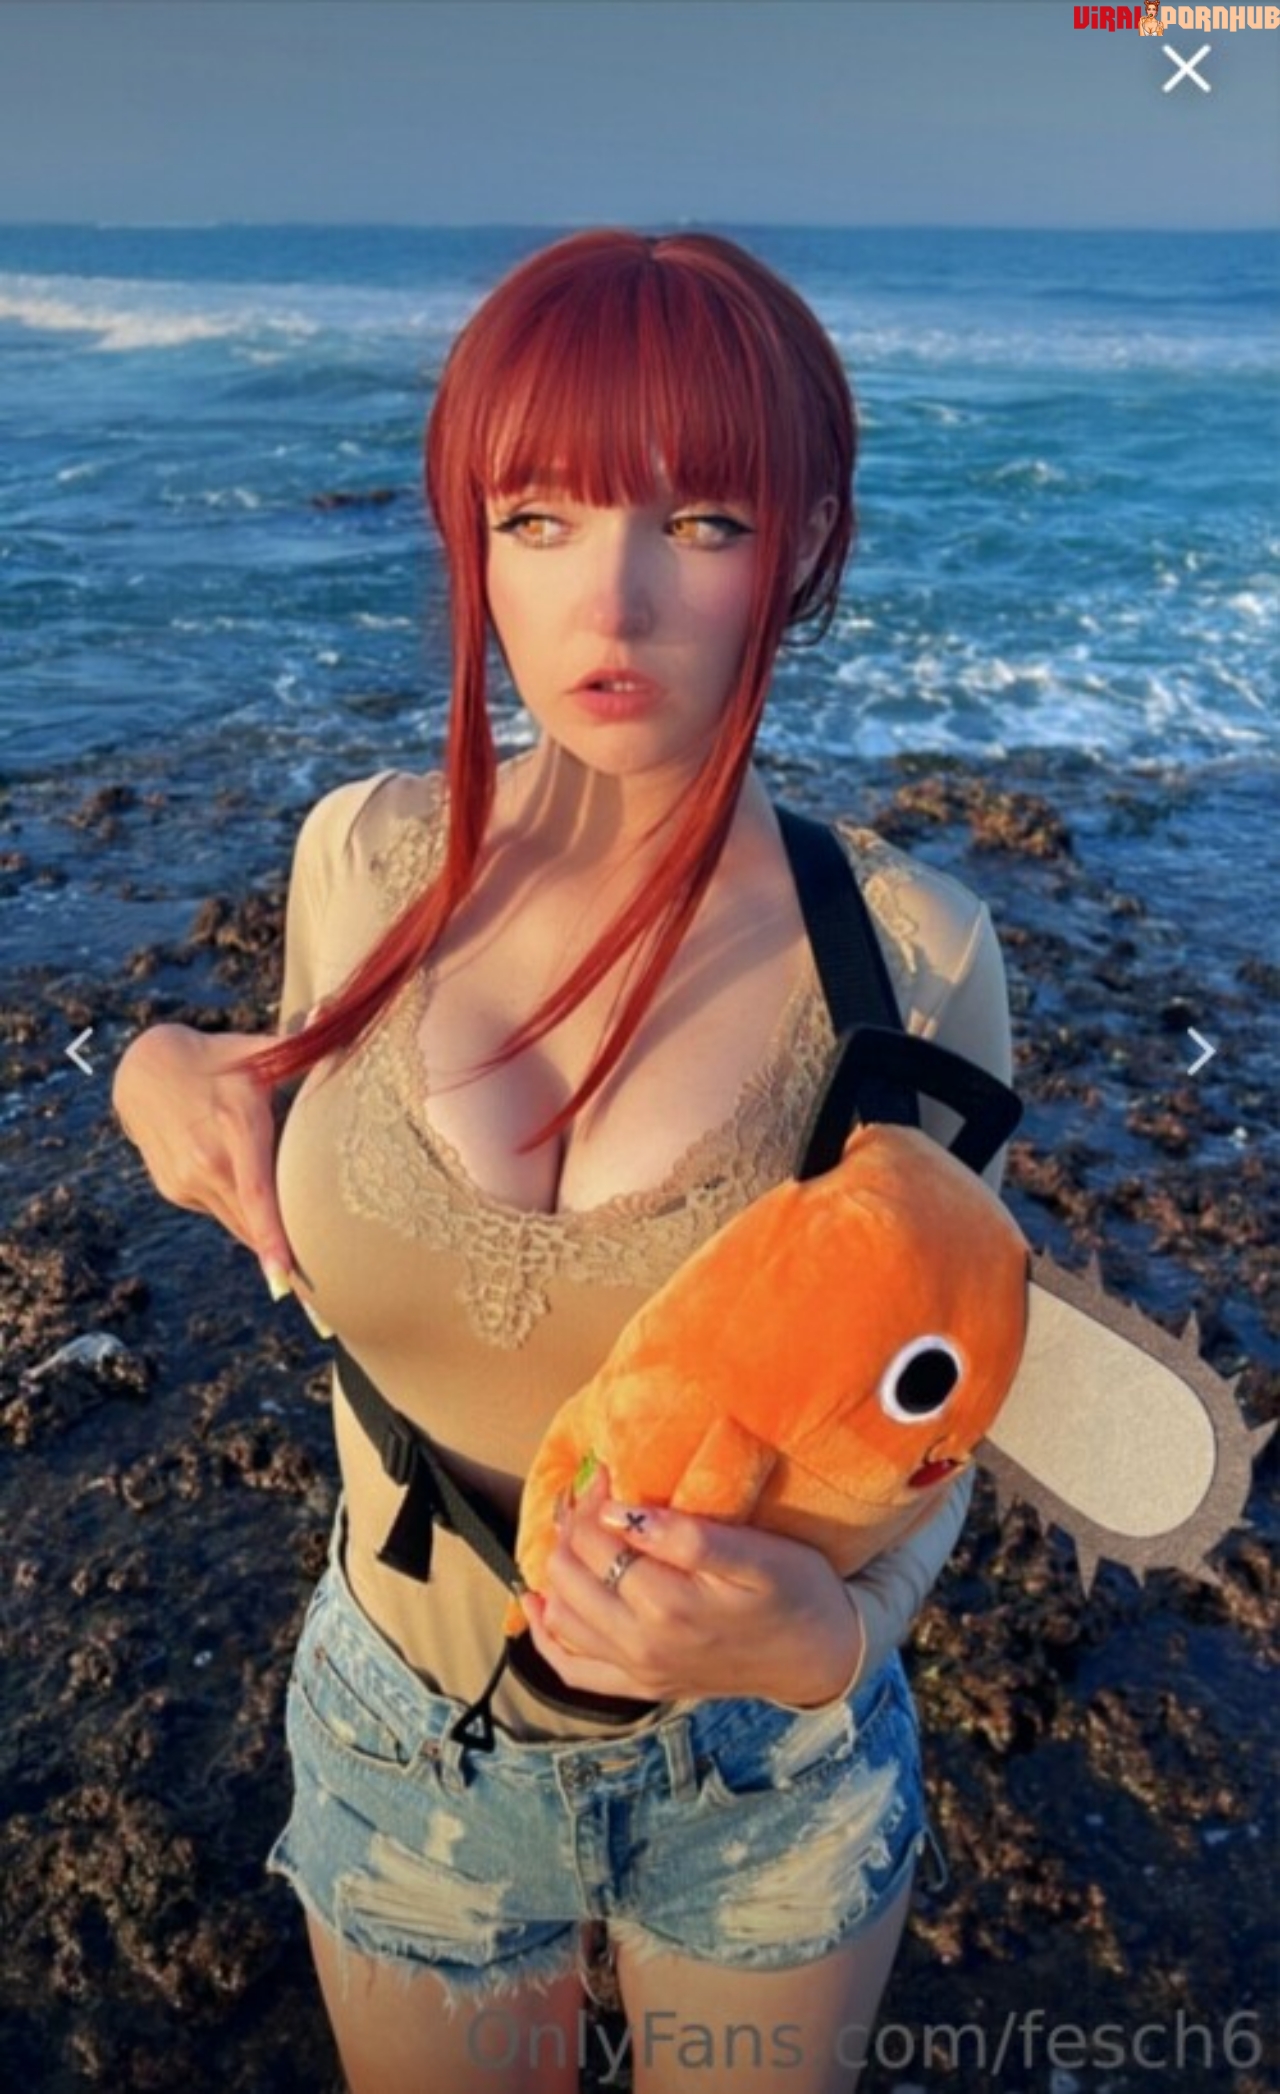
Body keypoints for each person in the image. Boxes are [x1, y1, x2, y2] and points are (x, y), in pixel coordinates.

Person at [113, 230, 1011, 2094]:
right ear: (472, 540)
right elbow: (266, 1099)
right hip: (403, 1735)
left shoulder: (909, 961)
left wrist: (831, 1631)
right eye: (538, 517)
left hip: (762, 1773)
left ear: (803, 544)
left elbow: (952, 1411)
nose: (612, 601)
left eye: (701, 521)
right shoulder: (361, 863)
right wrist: (152, 1066)